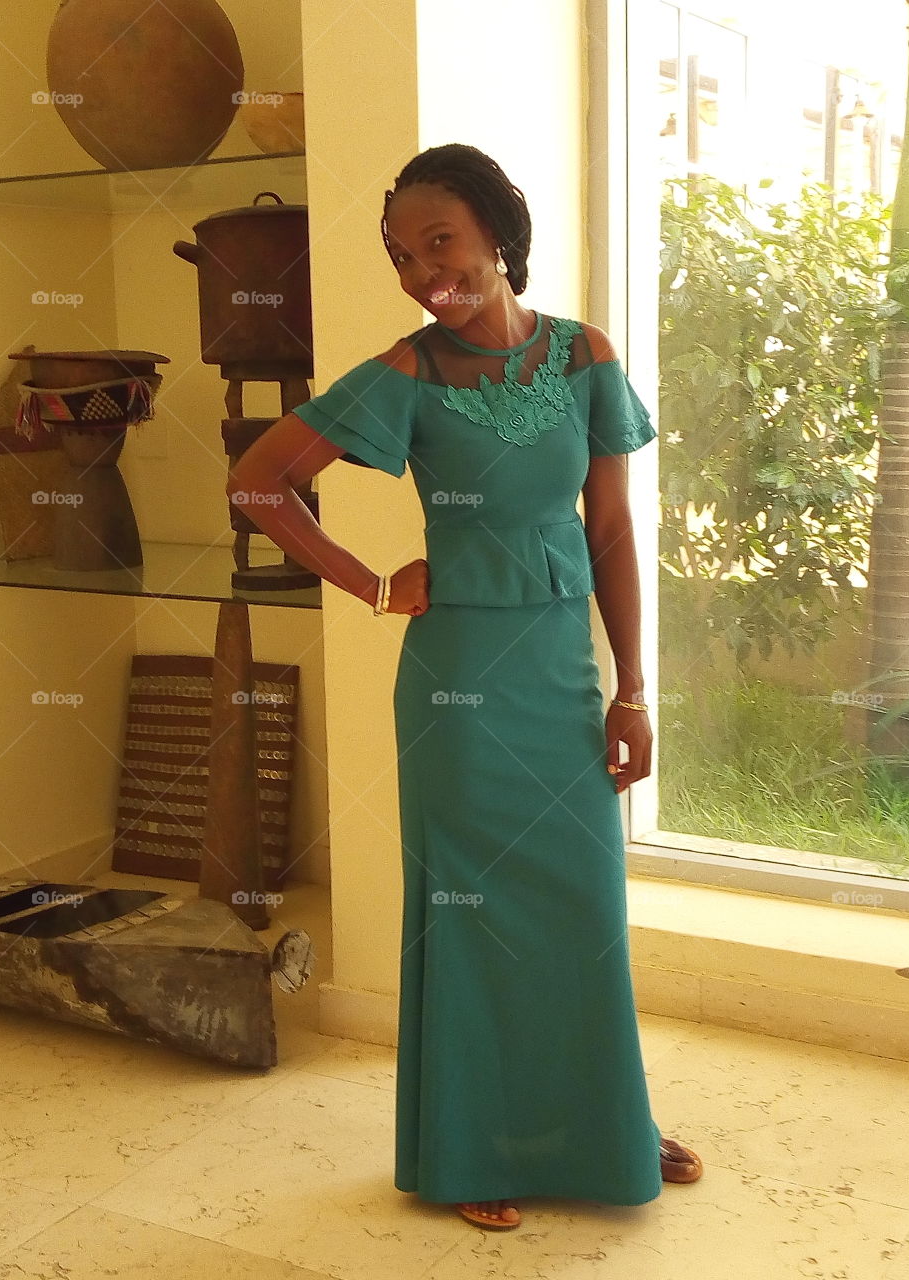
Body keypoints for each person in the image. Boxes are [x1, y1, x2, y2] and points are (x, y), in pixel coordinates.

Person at [227, 142, 703, 1232]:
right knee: (474, 915)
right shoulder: (407, 371)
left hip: (558, 676)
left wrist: (634, 689)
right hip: (457, 697)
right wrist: (374, 583)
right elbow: (260, 481)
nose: (422, 271)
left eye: (439, 241)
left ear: (497, 232)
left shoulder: (585, 355)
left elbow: (616, 530)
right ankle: (472, 1139)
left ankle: (604, 1123)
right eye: (403, 253)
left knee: (583, 908)